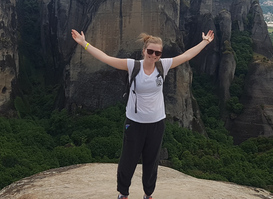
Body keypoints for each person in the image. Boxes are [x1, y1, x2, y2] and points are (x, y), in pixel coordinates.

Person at [71, 29, 214, 199]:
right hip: (134, 122)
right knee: (128, 160)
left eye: (157, 52)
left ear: (160, 54)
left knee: (151, 161)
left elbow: (187, 56)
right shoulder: (133, 66)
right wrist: (83, 43)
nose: (153, 55)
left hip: (156, 123)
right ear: (144, 51)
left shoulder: (163, 65)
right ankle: (123, 193)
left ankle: (148, 194)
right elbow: (106, 58)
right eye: (150, 51)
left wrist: (205, 42)